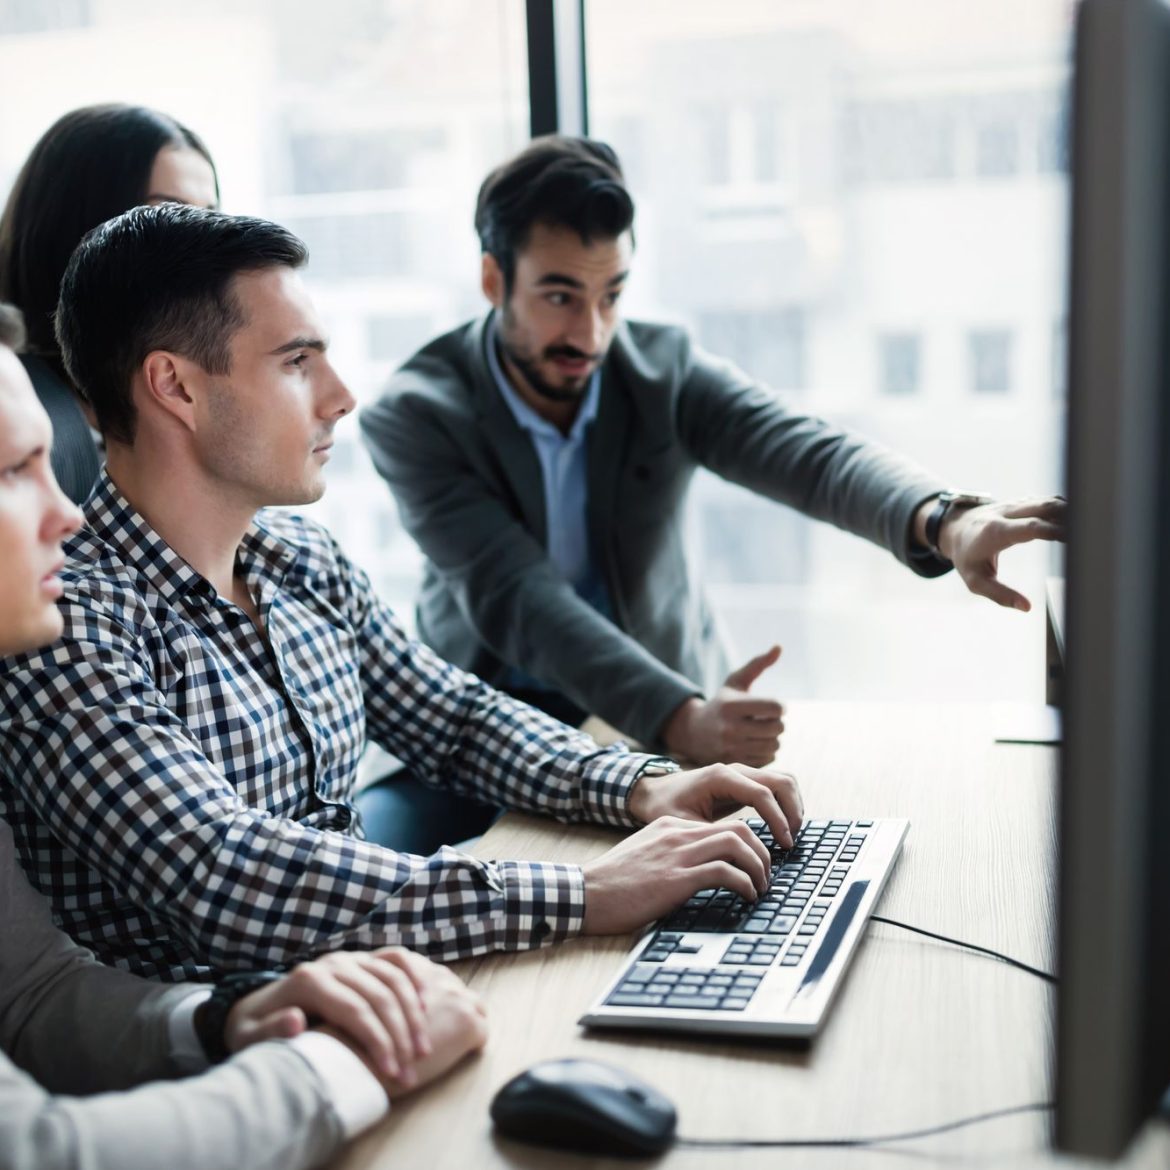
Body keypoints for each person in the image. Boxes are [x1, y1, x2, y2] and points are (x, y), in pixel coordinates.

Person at [0, 204, 803, 985]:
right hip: (225, 1061)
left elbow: (450, 718)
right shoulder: (65, 615)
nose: (342, 395)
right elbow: (222, 876)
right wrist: (587, 893)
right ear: (174, 387)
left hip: (383, 994)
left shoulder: (295, 556)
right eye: (296, 362)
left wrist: (642, 786)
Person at [359, 135, 1067, 768]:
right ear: (493, 281)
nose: (593, 333)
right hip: (501, 721)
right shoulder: (416, 415)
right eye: (559, 297)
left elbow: (810, 456)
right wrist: (679, 718)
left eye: (612, 294)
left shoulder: (660, 370)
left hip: (668, 715)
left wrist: (945, 519)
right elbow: (516, 594)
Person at [0, 302, 488, 1170]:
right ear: (171, 387)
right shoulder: (83, 620)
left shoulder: (299, 556)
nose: (65, 514)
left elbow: (31, 997)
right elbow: (45, 1148)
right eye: (13, 471)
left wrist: (226, 1018)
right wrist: (347, 1066)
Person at [0, 103, 219, 503]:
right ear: (78, 222)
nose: (201, 245)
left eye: (208, 218)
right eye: (169, 213)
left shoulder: (172, 386)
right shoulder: (26, 412)